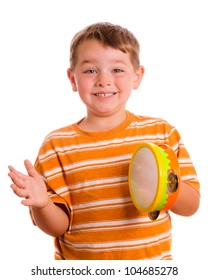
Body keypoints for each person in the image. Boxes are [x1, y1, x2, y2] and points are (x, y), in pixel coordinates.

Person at [8, 22, 200, 260]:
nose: (103, 80)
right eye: (90, 71)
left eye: (117, 70)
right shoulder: (57, 145)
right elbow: (57, 227)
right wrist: (43, 204)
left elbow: (191, 206)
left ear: (137, 76)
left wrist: (162, 184)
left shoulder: (161, 132)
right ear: (72, 79)